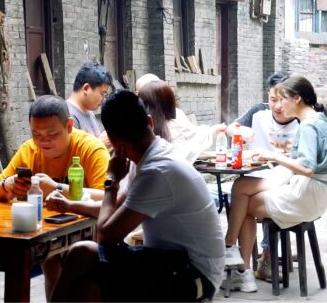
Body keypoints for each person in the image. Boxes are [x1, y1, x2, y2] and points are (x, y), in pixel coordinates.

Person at [50, 90, 224, 302]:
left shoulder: (156, 171)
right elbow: (116, 211)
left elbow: (105, 235)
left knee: (82, 252)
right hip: (169, 262)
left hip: (194, 276)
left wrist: (111, 182)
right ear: (149, 122)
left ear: (114, 143)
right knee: (87, 286)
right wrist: (70, 205)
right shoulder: (148, 155)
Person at [0, 95, 110, 298]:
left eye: (52, 134)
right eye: (37, 134)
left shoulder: (90, 148)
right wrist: (9, 185)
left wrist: (57, 187)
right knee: (43, 258)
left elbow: (107, 198)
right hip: (46, 232)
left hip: (87, 232)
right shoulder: (29, 150)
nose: (44, 141)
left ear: (69, 125)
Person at [223, 75, 327, 293]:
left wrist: (272, 156)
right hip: (313, 192)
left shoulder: (307, 126)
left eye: (282, 98)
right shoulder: (319, 119)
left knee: (241, 199)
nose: (277, 105)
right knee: (241, 188)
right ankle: (238, 262)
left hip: (304, 194)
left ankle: (236, 259)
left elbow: (307, 168)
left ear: (296, 98)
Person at [226, 71, 299, 283]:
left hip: (286, 181)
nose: (276, 106)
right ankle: (246, 269)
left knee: (242, 191)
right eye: (272, 99)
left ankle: (236, 251)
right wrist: (239, 133)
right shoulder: (259, 112)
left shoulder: (301, 120)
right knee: (244, 197)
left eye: (282, 100)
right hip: (259, 176)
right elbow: (232, 128)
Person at [139, 80, 225, 163]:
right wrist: (213, 130)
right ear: (170, 102)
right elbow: (196, 136)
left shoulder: (138, 130)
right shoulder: (176, 124)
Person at [66, 62, 113, 138]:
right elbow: (73, 149)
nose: (103, 100)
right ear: (86, 88)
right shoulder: (69, 116)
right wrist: (102, 143)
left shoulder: (89, 112)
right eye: (102, 94)